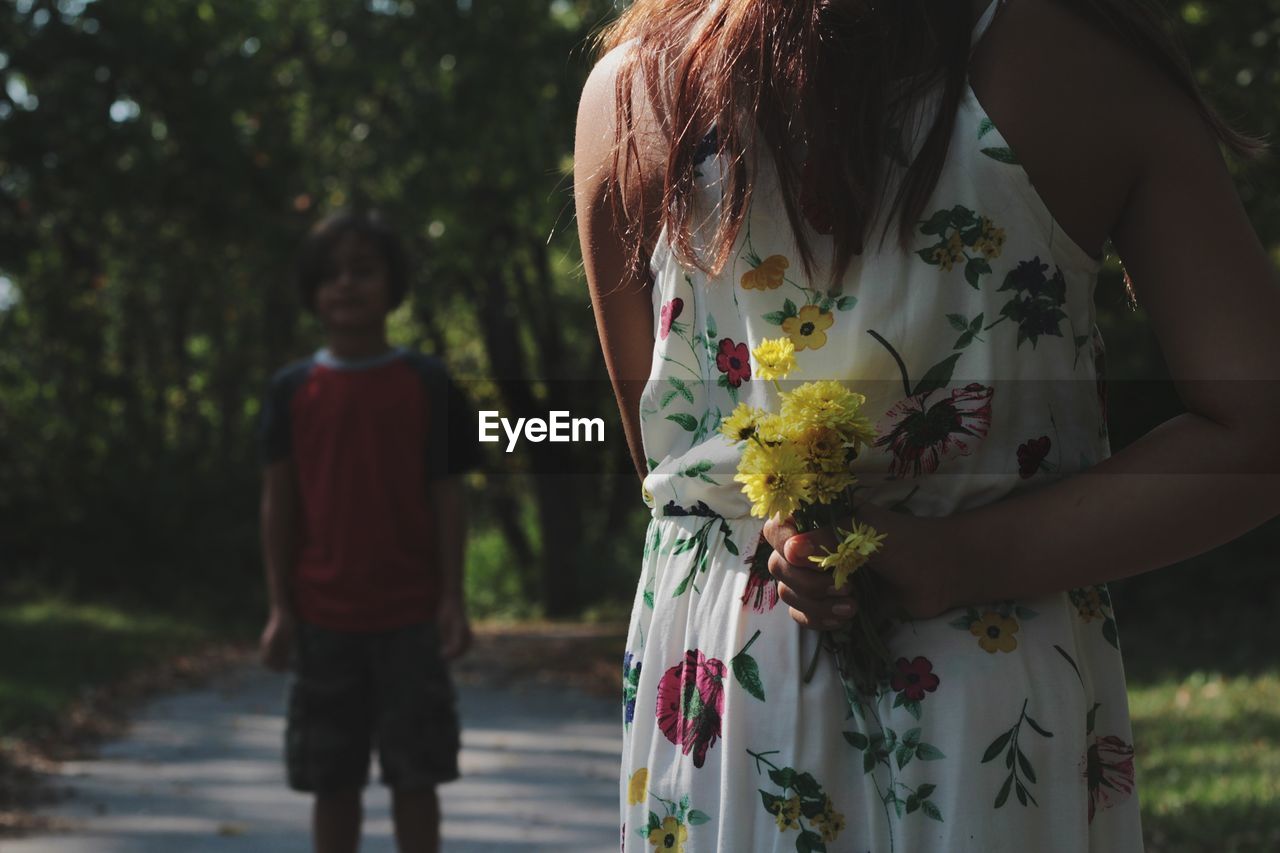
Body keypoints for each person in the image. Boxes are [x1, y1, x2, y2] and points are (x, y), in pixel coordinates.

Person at [575, 0, 1279, 850]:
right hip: (994, 687)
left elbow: (667, 463)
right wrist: (961, 556)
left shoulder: (635, 89)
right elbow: (1259, 433)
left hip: (723, 703)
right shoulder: (1084, 58)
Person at [256, 210, 480, 853]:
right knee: (333, 781)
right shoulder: (292, 391)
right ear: (311, 293)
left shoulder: (429, 385)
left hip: (410, 619)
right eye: (330, 276)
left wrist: (452, 600)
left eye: (363, 271)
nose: (346, 286)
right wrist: (279, 608)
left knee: (418, 776)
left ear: (393, 285)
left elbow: (448, 497)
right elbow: (278, 506)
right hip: (323, 618)